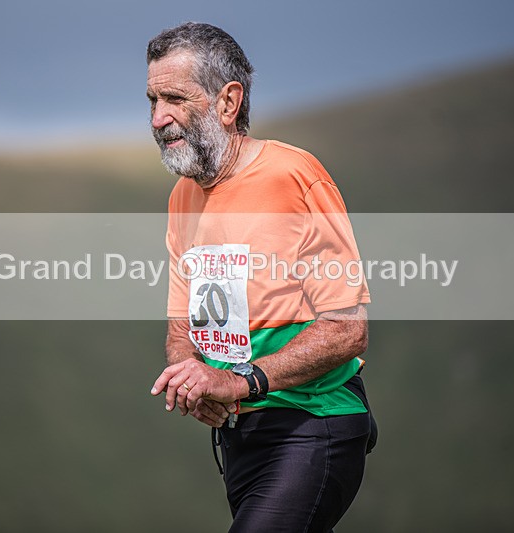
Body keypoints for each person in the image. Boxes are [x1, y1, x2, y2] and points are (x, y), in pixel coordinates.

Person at [147, 22, 376, 533]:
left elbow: (346, 328)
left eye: (174, 99)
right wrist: (193, 381)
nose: (158, 118)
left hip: (313, 424)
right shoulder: (182, 197)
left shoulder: (294, 176)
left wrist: (238, 381)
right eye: (151, 100)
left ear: (229, 103)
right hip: (239, 435)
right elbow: (181, 323)